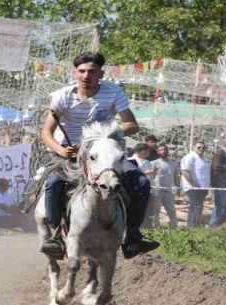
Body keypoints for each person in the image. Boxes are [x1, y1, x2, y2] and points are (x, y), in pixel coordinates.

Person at [39, 51, 158, 260]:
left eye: (92, 71)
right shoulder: (62, 96)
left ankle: (133, 236)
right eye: (82, 71)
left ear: (101, 74)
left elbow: (132, 125)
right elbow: (46, 132)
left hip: (105, 154)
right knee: (53, 182)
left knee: (141, 182)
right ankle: (56, 235)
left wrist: (112, 133)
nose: (86, 75)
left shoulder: (114, 92)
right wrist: (61, 150)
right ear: (75, 73)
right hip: (70, 153)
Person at [147, 144, 178, 228]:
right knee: (156, 210)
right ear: (157, 152)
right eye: (161, 150)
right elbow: (150, 177)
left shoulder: (174, 164)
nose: (163, 151)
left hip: (169, 190)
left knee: (171, 210)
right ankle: (155, 228)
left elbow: (176, 177)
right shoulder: (153, 163)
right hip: (157, 190)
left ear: (167, 151)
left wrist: (178, 188)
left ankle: (175, 228)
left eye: (165, 150)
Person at [180, 141, 210, 227]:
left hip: (203, 188)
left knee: (195, 207)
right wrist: (193, 183)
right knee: (197, 207)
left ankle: (192, 226)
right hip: (193, 187)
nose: (201, 149)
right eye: (199, 147)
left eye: (203, 148)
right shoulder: (190, 157)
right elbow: (184, 171)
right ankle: (194, 227)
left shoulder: (204, 158)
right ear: (194, 147)